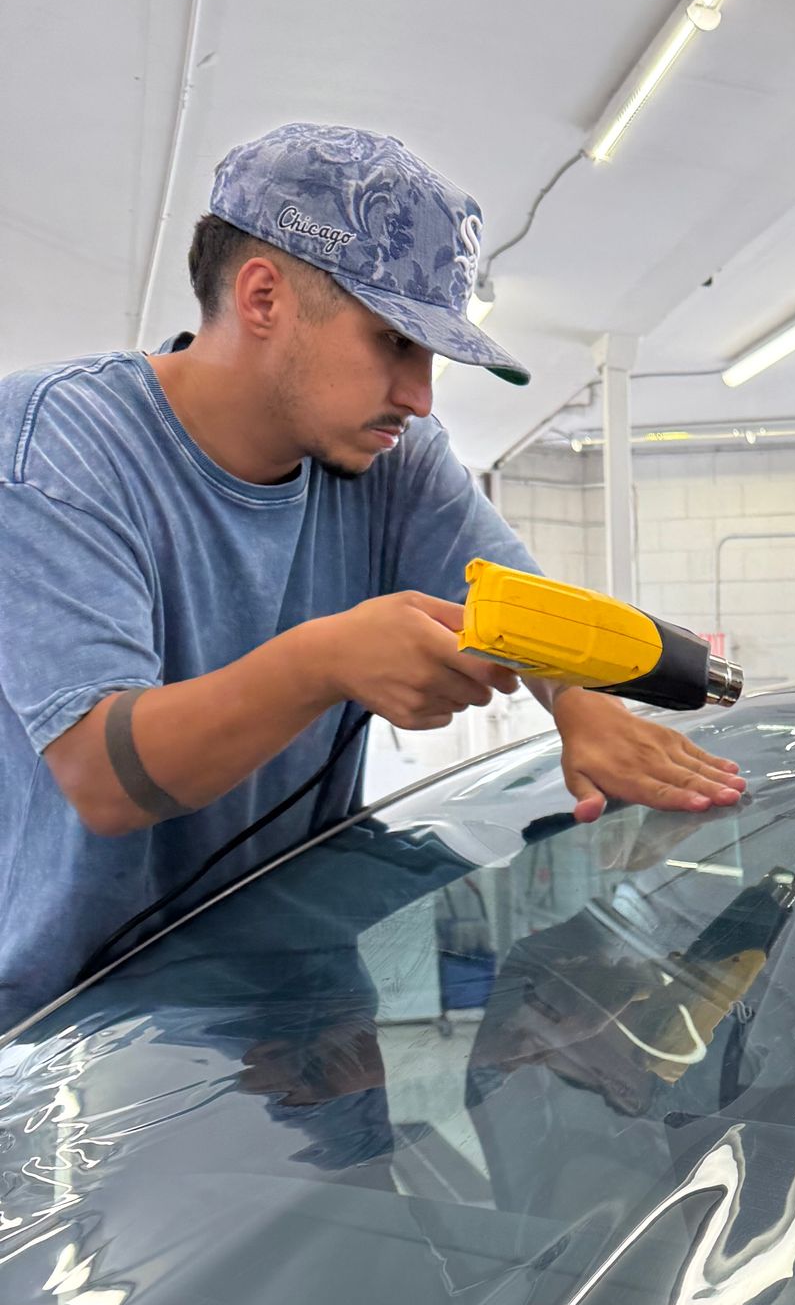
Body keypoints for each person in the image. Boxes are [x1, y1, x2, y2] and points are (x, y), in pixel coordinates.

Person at [0, 121, 742, 1035]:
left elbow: (518, 605)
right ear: (263, 295)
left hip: (290, 1004)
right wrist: (322, 663)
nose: (422, 395)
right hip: (70, 1031)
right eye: (394, 341)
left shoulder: (396, 459)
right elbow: (105, 779)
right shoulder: (59, 448)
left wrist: (585, 706)